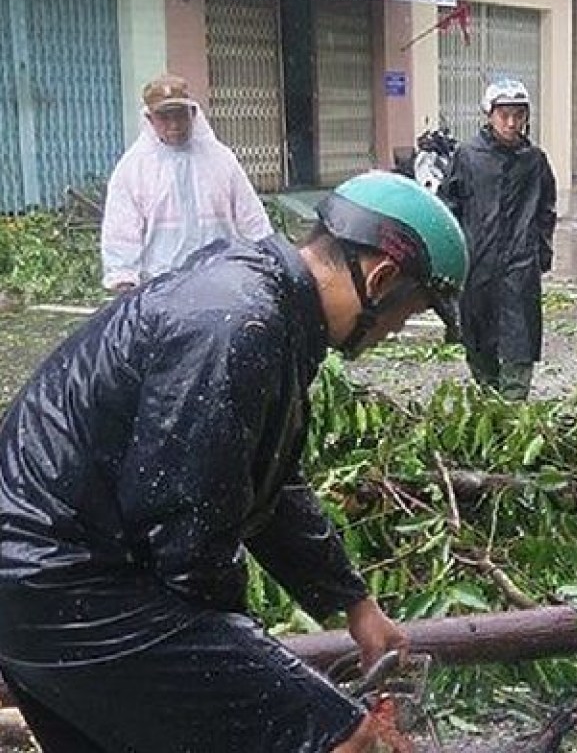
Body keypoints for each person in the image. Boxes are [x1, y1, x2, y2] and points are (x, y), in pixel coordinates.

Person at [0, 171, 468, 752]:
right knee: (345, 738)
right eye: (410, 312)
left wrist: (355, 604)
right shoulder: (240, 323)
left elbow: (268, 487)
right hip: (68, 584)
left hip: (42, 585)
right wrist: (246, 653)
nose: (395, 332)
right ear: (382, 278)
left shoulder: (265, 305)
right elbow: (188, 530)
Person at [439, 77, 557, 401]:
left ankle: (515, 405)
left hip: (520, 266)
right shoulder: (468, 157)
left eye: (518, 115)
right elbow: (449, 206)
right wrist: (452, 257)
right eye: (504, 114)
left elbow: (546, 210)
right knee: (478, 337)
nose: (511, 122)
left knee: (520, 340)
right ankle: (489, 400)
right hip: (478, 264)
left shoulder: (534, 161)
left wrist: (540, 253)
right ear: (489, 115)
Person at [101, 72, 273, 293]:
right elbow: (120, 231)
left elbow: (251, 218)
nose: (174, 125)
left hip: (222, 282)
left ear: (193, 113)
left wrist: (268, 257)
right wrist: (124, 282)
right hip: (161, 288)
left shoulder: (220, 159)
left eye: (180, 115)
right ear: (150, 119)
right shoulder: (134, 168)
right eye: (164, 117)